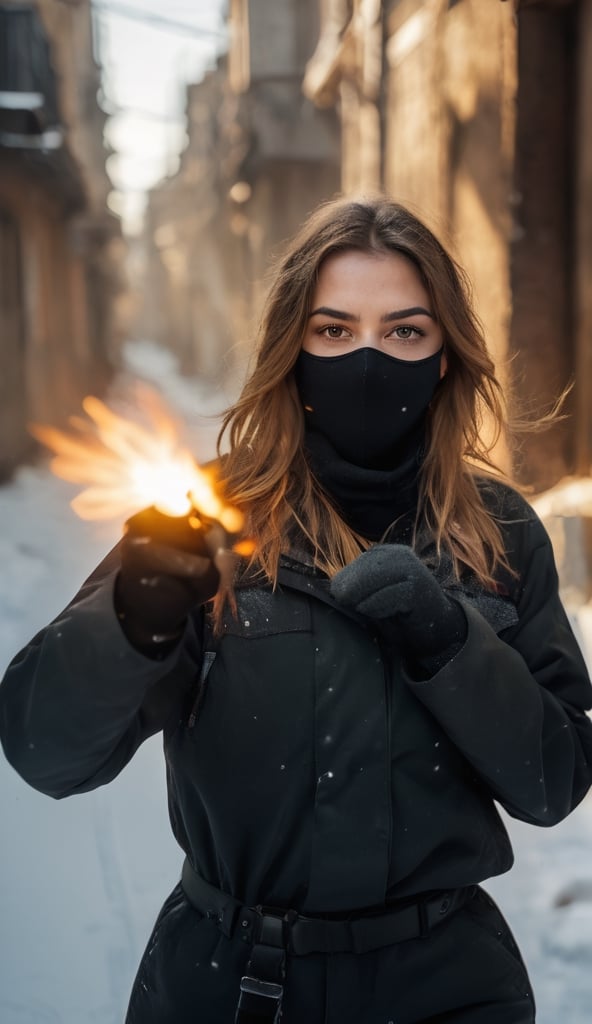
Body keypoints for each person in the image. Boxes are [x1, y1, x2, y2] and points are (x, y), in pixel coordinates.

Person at [1, 196, 592, 1024]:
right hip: (234, 983)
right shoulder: (208, 520)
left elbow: (554, 782)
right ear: (293, 348)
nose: (369, 358)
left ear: (446, 355)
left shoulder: (497, 533)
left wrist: (450, 644)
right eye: (334, 330)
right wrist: (132, 620)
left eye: (405, 332)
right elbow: (45, 752)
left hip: (448, 990)